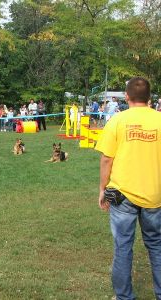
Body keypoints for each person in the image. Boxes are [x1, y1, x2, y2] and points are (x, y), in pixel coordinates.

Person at [95, 77, 161, 300]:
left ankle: (124, 297)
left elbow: (106, 159)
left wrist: (102, 190)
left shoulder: (117, 120)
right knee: (156, 246)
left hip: (121, 194)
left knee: (123, 247)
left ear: (127, 96)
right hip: (155, 194)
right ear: (149, 98)